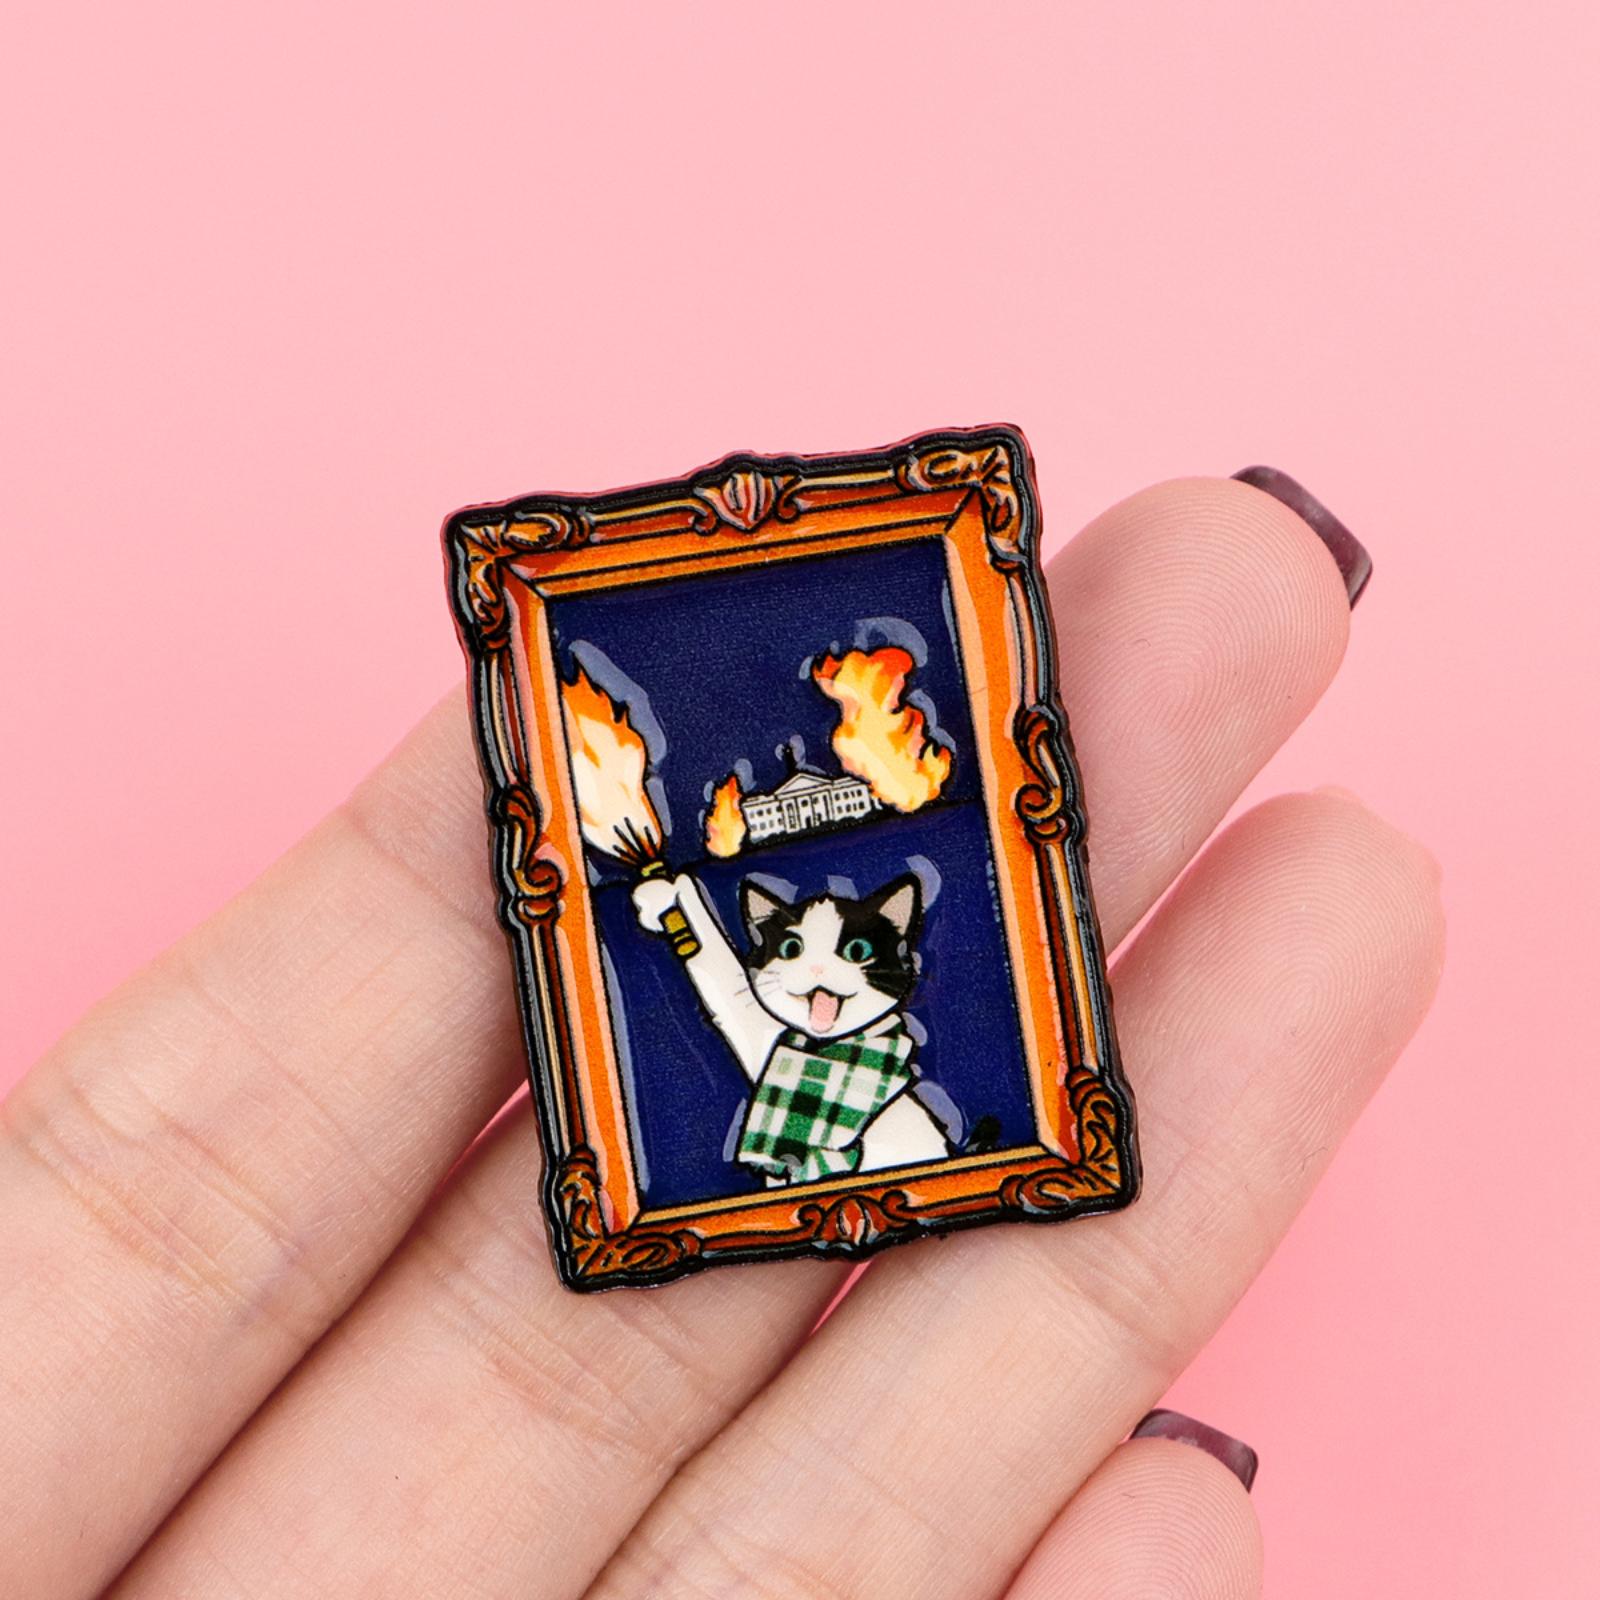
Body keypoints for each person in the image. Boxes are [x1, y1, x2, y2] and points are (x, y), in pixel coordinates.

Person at [0, 471, 1440, 1600]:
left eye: (840, 961)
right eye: (796, 952)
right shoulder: (782, 1014)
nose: (813, 983)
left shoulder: (902, 1036)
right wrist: (684, 916)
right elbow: (748, 1020)